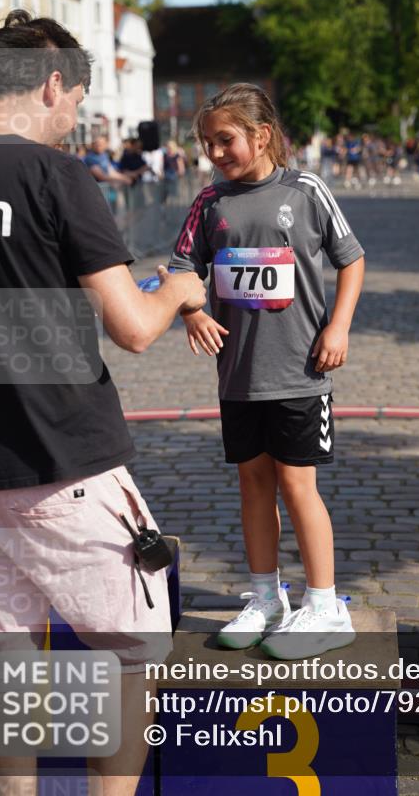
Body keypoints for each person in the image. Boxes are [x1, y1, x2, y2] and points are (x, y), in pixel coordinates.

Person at [0, 10, 206, 796]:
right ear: (53, 83)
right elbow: (130, 327)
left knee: (10, 675)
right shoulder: (55, 175)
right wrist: (177, 288)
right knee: (132, 659)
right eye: (78, 102)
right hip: (62, 463)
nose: (76, 120)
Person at [169, 83, 365, 661]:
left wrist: (339, 327)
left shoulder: (306, 190)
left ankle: (325, 603)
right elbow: (182, 268)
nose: (215, 152)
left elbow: (351, 259)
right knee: (252, 484)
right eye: (206, 143)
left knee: (298, 484)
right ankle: (264, 597)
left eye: (225, 139)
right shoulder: (209, 203)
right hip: (239, 377)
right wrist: (193, 310)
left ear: (263, 135)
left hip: (301, 372)